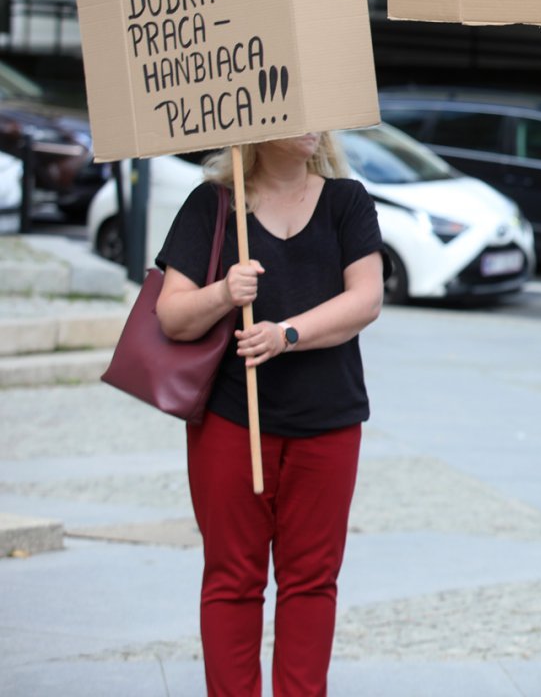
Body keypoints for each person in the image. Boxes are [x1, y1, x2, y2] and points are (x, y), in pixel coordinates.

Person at [154, 133, 385, 697]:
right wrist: (224, 294)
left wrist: (287, 335)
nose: (312, 125)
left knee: (311, 582)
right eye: (296, 111)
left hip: (328, 421)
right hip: (232, 420)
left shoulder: (346, 201)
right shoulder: (212, 205)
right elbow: (171, 316)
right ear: (257, 123)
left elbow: (366, 300)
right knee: (232, 579)